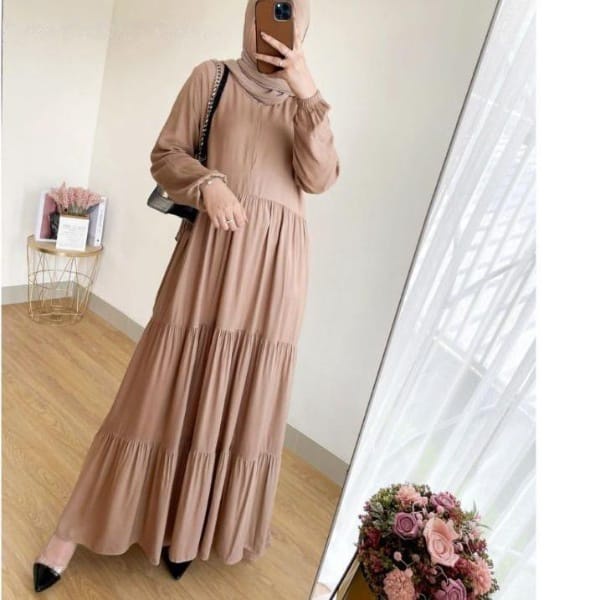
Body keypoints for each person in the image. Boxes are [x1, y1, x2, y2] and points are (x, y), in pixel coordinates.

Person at [32, 0, 339, 592]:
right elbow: (166, 155)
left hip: (274, 274)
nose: (272, 31)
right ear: (250, 18)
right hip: (210, 257)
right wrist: (209, 183)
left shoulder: (307, 105)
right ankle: (72, 529)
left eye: (289, 21)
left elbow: (319, 178)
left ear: (303, 32)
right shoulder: (212, 76)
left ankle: (188, 531)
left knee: (238, 396)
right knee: (160, 386)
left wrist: (309, 93)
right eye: (265, 14)